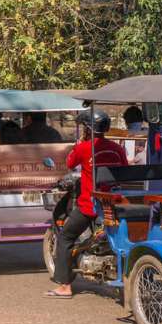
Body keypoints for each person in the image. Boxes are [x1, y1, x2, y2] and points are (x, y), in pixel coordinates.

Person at [46, 110, 127, 298]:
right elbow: (124, 170)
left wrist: (79, 143)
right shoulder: (117, 149)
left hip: (91, 206)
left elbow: (69, 162)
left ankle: (65, 286)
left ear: (88, 128)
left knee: (66, 236)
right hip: (114, 203)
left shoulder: (84, 148)